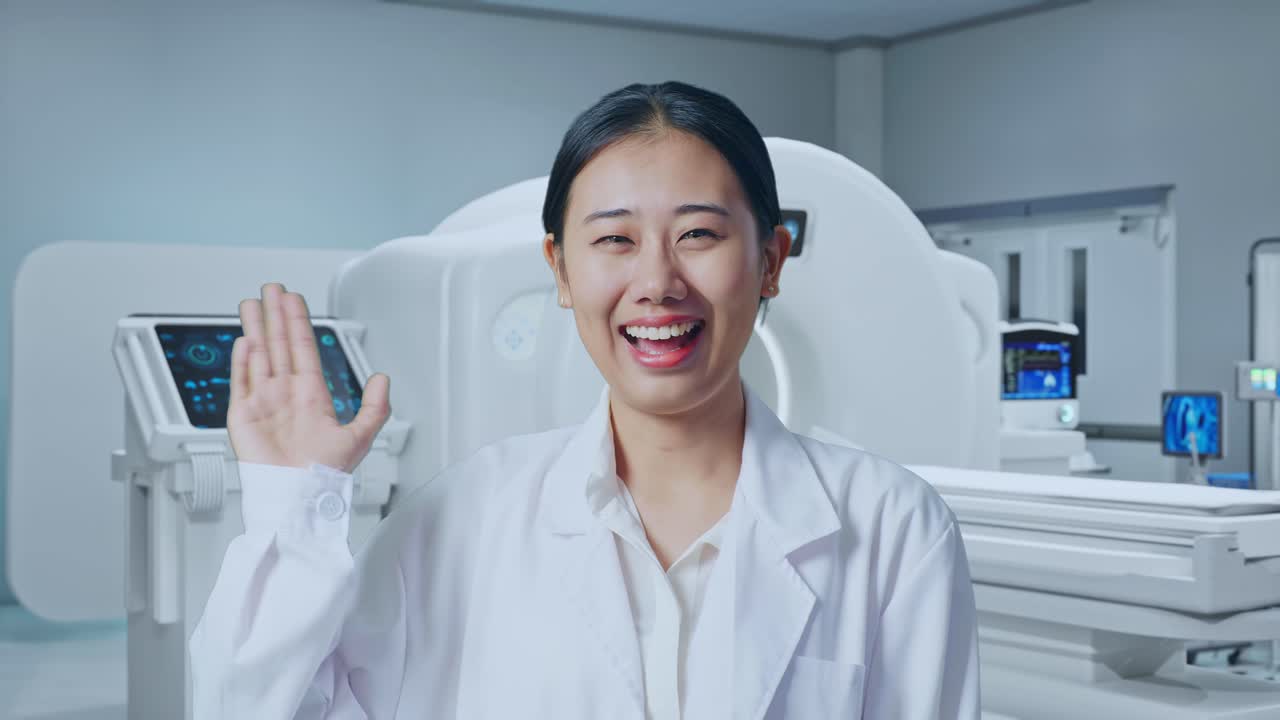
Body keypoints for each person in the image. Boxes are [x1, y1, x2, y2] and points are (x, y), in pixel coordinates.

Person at [190, 81, 980, 719]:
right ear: (561, 271)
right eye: (614, 240)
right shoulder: (461, 519)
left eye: (699, 235)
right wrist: (291, 509)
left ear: (770, 260)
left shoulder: (892, 528)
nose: (657, 282)